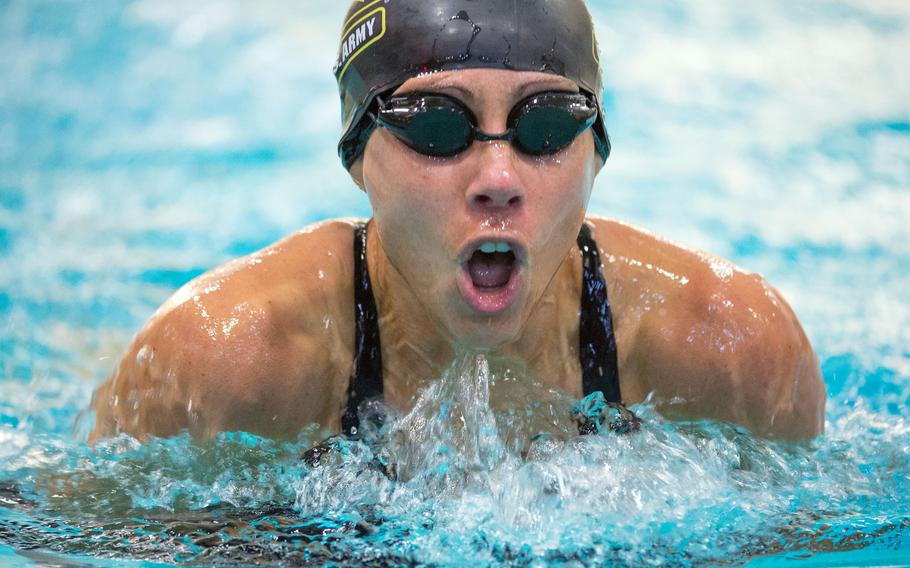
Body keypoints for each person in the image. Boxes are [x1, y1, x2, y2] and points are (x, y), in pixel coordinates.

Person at [89, 0, 825, 443]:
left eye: (545, 126)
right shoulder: (227, 361)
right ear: (356, 154)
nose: (498, 179)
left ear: (595, 151)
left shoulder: (727, 348)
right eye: (438, 128)